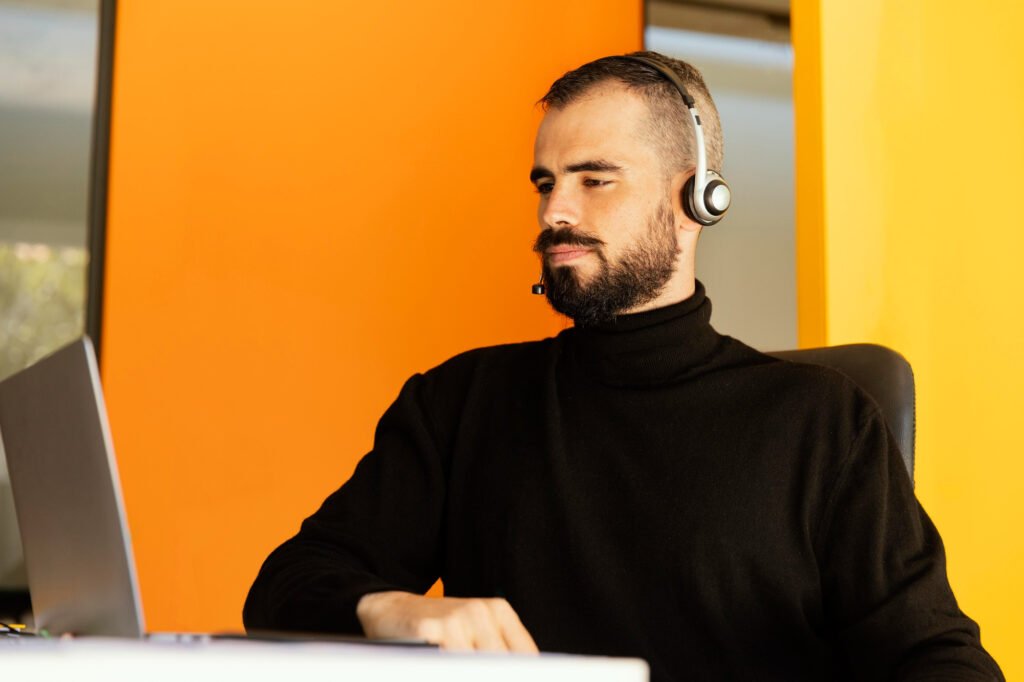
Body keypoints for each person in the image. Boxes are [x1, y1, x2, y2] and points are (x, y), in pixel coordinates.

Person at [243, 52, 1003, 680]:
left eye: (593, 179)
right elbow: (285, 586)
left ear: (694, 199)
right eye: (546, 183)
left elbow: (938, 661)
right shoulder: (461, 401)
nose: (553, 213)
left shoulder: (824, 422)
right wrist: (392, 608)